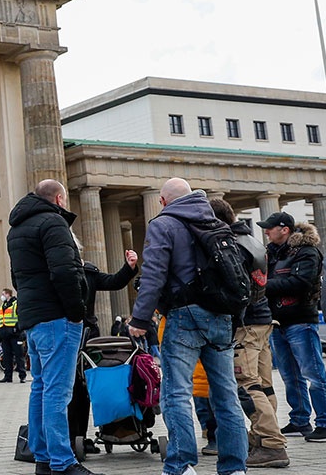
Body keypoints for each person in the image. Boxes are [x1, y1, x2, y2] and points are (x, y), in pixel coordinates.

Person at [128, 178, 245, 475]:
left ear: (163, 201)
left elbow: (153, 274)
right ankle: (234, 468)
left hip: (184, 316)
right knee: (226, 394)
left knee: (176, 393)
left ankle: (181, 466)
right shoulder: (215, 221)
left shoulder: (163, 224)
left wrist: (140, 319)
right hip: (221, 315)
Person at [7, 179, 95, 475]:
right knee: (58, 391)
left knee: (41, 387)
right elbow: (64, 271)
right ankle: (62, 462)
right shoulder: (54, 223)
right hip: (58, 317)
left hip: (33, 318)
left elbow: (17, 277)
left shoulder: (16, 229)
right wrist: (76, 312)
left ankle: (42, 458)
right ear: (59, 199)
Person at [213, 197, 288, 468]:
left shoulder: (231, 245)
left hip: (246, 325)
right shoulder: (252, 240)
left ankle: (271, 444)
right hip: (263, 320)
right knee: (264, 385)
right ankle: (262, 440)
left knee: (248, 385)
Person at [262, 211, 326, 442]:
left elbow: (301, 282)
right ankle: (299, 420)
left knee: (313, 374)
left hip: (300, 320)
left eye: (270, 228)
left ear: (285, 229)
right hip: (277, 321)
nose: (266, 231)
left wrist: (264, 285)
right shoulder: (271, 254)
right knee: (290, 375)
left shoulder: (306, 250)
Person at [68, 248, 138, 449]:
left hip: (88, 336)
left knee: (86, 387)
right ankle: (70, 438)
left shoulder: (88, 271)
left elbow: (113, 282)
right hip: (66, 332)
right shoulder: (56, 270)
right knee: (70, 388)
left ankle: (81, 437)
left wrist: (129, 267)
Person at [0, 287, 27, 383]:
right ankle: (8, 376)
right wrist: (0, 331)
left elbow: (21, 317)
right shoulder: (3, 305)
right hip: (5, 335)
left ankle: (22, 376)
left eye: (3, 294)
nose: (2, 296)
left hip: (15, 334)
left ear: (8, 294)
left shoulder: (15, 304)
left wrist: (17, 329)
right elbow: (1, 319)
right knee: (7, 357)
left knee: (19, 356)